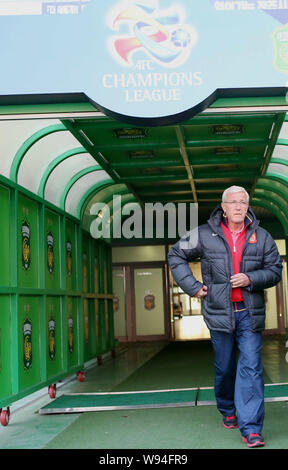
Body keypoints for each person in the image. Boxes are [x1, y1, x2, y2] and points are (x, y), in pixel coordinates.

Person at [168, 185, 282, 448]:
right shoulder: (204, 234)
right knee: (225, 365)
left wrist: (251, 278)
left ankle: (251, 428)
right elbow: (176, 254)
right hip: (219, 313)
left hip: (249, 314)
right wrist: (193, 287)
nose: (239, 206)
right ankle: (228, 408)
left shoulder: (262, 236)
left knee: (251, 367)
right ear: (224, 207)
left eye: (243, 202)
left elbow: (275, 270)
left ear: (248, 205)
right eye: (233, 202)